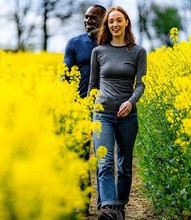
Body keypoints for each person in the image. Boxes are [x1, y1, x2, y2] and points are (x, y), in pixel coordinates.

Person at [88, 6, 147, 220]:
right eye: (111, 21)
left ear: (126, 23)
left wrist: (131, 102)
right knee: (105, 162)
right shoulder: (98, 51)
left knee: (124, 165)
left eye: (119, 20)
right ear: (107, 25)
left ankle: (119, 206)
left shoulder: (138, 51)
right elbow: (93, 86)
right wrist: (88, 114)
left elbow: (141, 84)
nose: (115, 24)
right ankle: (109, 208)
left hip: (127, 116)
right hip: (102, 113)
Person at [62, 4, 106, 217]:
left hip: (106, 110)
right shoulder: (75, 43)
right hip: (80, 109)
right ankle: (82, 204)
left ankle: (104, 205)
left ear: (104, 19)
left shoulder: (113, 43)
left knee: (103, 160)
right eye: (86, 18)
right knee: (80, 159)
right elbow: (66, 75)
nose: (88, 21)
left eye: (93, 18)